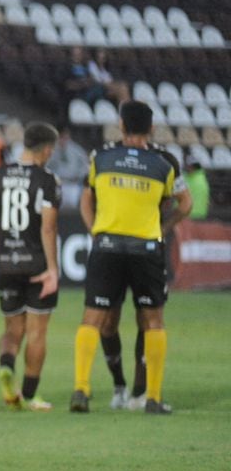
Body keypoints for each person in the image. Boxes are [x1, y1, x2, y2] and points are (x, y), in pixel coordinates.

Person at [70, 101, 191, 415]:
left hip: (106, 247)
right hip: (146, 249)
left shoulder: (102, 157)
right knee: (153, 321)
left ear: (121, 126)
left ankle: (81, 390)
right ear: (151, 128)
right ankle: (152, 398)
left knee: (93, 318)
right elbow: (186, 203)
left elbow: (85, 198)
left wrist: (95, 230)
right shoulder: (165, 162)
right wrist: (164, 227)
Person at [0, 122, 61, 411]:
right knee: (37, 332)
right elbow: (48, 229)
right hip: (36, 264)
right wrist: (53, 268)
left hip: (6, 263)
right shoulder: (47, 180)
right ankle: (31, 395)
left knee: (12, 329)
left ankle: (6, 365)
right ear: (47, 149)